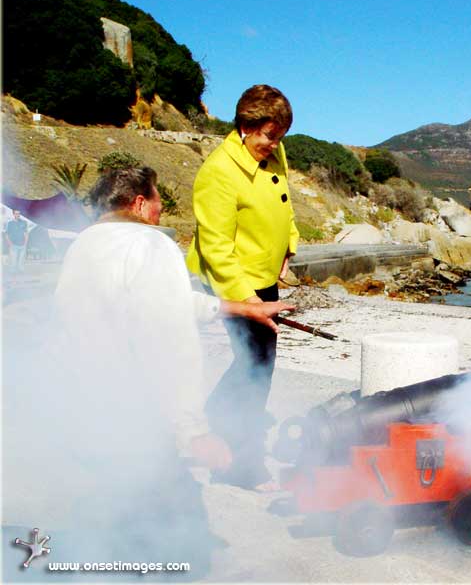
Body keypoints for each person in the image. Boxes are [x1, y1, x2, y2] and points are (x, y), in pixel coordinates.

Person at [47, 167, 295, 579]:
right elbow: (170, 340)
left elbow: (164, 304)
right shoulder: (149, 244)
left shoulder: (85, 246)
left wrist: (239, 307)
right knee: (170, 539)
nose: (162, 209)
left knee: (113, 521)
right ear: (140, 203)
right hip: (136, 418)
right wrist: (193, 430)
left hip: (84, 411)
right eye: (159, 199)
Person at [186, 84, 299, 490]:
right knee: (255, 370)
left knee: (256, 364)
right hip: (233, 283)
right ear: (245, 126)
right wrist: (247, 299)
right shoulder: (218, 171)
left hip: (263, 279)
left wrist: (289, 244)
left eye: (280, 136)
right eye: (269, 135)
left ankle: (216, 416)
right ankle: (240, 465)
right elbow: (215, 246)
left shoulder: (272, 152)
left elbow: (283, 202)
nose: (275, 144)